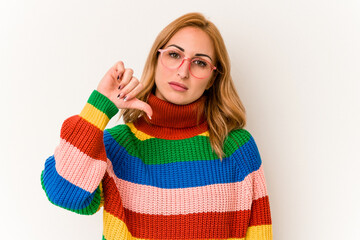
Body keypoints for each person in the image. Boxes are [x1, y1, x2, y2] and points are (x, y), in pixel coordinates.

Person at [40, 12, 273, 240]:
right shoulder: (119, 146)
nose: (183, 71)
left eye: (200, 62)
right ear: (156, 59)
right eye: (174, 55)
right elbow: (62, 192)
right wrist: (99, 107)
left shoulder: (237, 148)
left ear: (212, 78)